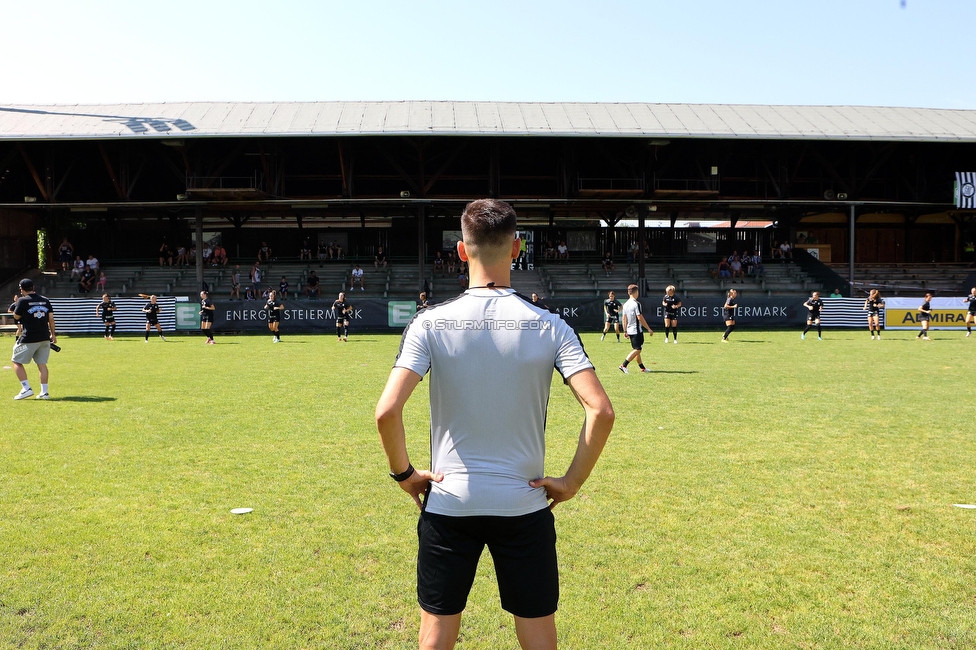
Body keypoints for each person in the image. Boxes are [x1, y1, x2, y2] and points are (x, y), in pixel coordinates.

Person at [375, 198, 613, 650]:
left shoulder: (429, 324)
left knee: (435, 635)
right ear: (517, 247)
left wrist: (405, 475)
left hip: (448, 501)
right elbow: (600, 411)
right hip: (523, 504)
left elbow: (386, 411)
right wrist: (570, 483)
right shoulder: (551, 325)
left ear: (461, 252)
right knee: (538, 634)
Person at [11, 279, 56, 400]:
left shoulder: (22, 300)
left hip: (29, 337)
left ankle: (26, 388)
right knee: (42, 364)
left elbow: (16, 316)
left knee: (16, 361)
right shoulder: (45, 300)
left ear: (22, 289)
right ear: (33, 287)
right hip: (45, 337)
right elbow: (51, 319)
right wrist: (53, 335)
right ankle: (44, 392)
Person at [619, 283, 653, 373]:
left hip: (630, 330)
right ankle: (624, 365)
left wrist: (625, 330)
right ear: (636, 292)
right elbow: (640, 317)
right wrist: (648, 328)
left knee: (637, 349)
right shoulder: (636, 304)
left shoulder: (625, 304)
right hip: (636, 330)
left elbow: (624, 318)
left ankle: (642, 367)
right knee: (638, 349)